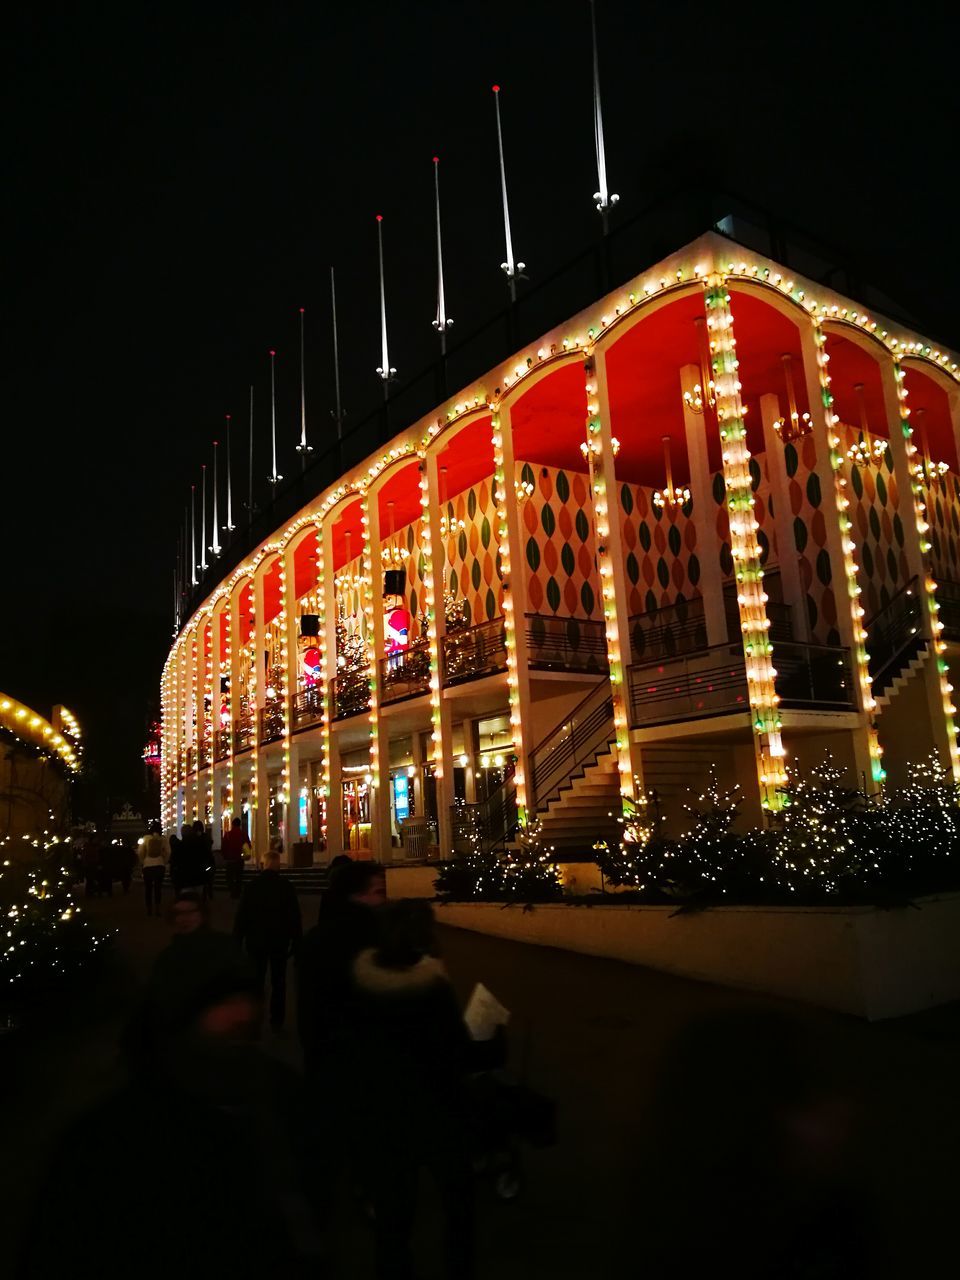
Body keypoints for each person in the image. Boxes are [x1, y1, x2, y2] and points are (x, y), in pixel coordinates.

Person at [351, 900, 478, 1280]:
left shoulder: (364, 983)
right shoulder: (431, 988)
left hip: (385, 1113)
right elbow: (454, 1050)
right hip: (436, 1109)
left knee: (393, 1218)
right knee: (458, 1207)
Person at [297, 859, 386, 1076]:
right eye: (379, 891)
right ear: (357, 895)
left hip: (328, 1066)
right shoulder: (383, 940)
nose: (385, 899)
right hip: (369, 1064)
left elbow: (308, 1016)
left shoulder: (315, 940)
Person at [233, 850, 302, 1030]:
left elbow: (242, 915)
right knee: (279, 980)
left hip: (256, 940)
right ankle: (276, 1018)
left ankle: (255, 1015)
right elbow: (294, 915)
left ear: (263, 864)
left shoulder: (252, 886)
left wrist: (237, 939)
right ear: (277, 864)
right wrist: (297, 940)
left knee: (256, 979)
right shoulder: (285, 886)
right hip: (279, 940)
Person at [138, 820, 169, 916]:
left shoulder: (146, 838)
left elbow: (140, 852)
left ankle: (149, 909)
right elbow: (168, 852)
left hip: (148, 866)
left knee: (148, 888)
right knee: (157, 888)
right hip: (159, 865)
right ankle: (157, 909)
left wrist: (143, 862)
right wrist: (164, 862)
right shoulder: (163, 839)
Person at [221, 816, 248, 899]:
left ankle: (232, 891)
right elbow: (248, 845)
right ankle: (238, 892)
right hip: (240, 859)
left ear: (232, 824)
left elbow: (224, 847)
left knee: (229, 877)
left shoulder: (228, 834)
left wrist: (225, 856)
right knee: (239, 877)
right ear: (240, 825)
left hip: (230, 859)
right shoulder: (243, 834)